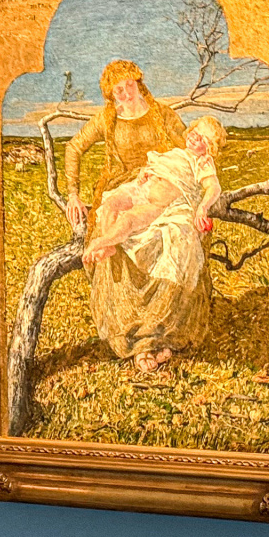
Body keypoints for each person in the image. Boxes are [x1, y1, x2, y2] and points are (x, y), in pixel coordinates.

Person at [62, 59, 208, 372]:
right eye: (118, 89)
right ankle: (135, 340)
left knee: (176, 238)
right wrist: (73, 193)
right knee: (114, 229)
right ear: (110, 94)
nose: (126, 93)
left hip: (163, 188)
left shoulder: (162, 114)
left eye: (130, 85)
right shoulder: (107, 119)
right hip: (124, 189)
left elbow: (193, 150)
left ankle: (163, 335)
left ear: (138, 83)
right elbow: (73, 147)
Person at [82, 116, 226, 292]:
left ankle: (101, 242)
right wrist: (145, 172)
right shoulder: (176, 153)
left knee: (129, 219)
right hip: (141, 191)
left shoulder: (202, 161)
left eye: (202, 138)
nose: (195, 137)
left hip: (159, 204)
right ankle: (109, 245)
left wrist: (203, 207)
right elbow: (157, 166)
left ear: (209, 148)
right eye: (195, 131)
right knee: (111, 204)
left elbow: (214, 187)